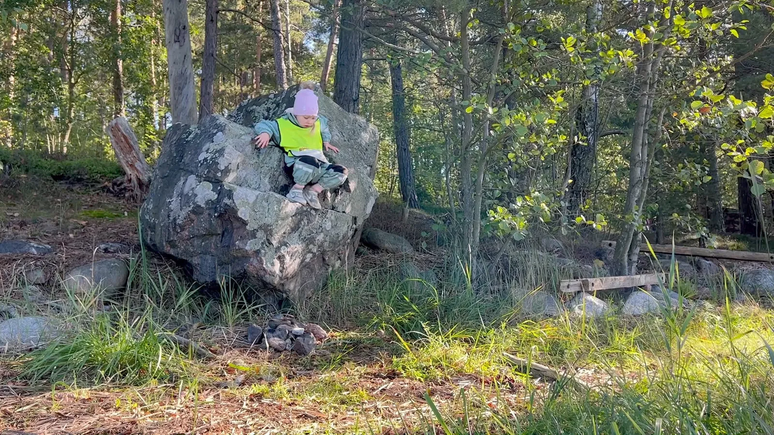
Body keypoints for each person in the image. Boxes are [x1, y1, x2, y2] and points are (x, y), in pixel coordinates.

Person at [252, 83, 348, 209]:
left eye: (313, 118)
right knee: (310, 162)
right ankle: (296, 190)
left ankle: (313, 191)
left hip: (319, 166)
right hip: (298, 165)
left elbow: (324, 126)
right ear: (296, 113)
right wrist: (265, 134)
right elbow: (265, 125)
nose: (310, 121)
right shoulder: (284, 124)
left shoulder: (317, 122)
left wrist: (326, 141)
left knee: (341, 172)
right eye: (306, 117)